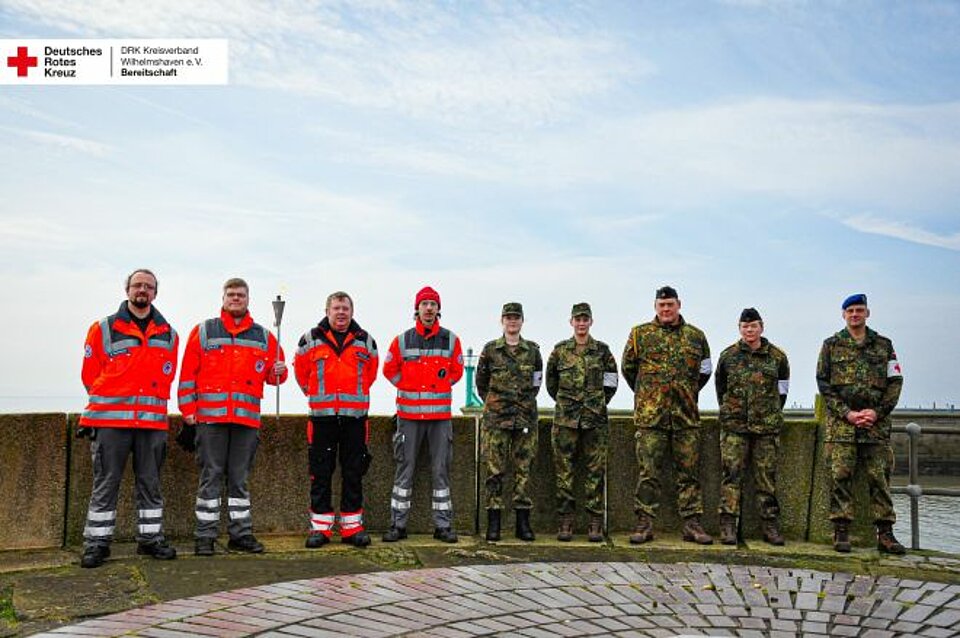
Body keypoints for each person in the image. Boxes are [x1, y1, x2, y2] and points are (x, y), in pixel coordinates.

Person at [177, 278, 287, 556]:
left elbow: (278, 376)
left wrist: (279, 370)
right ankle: (205, 536)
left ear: (248, 299)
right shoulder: (203, 331)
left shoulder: (263, 335)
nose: (235, 298)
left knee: (240, 478)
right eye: (231, 294)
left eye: (240, 295)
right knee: (210, 475)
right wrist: (187, 410)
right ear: (223, 298)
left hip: (246, 421)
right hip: (210, 420)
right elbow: (188, 374)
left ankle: (240, 534)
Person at [78, 268, 180, 568]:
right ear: (127, 290)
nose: (142, 290)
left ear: (155, 293)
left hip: (151, 425)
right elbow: (89, 375)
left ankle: (150, 540)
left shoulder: (170, 334)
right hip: (110, 423)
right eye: (138, 285)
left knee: (150, 484)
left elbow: (167, 376)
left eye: (148, 286)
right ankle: (96, 544)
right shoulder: (103, 328)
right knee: (105, 484)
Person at [622, 285, 713, 545]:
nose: (666, 309)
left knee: (689, 474)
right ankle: (644, 523)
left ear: (679, 305)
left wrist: (686, 392)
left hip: (685, 417)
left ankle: (692, 524)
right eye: (661, 305)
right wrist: (648, 396)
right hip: (651, 418)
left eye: (670, 304)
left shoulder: (696, 337)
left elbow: (704, 372)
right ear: (655, 307)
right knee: (648, 473)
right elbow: (629, 369)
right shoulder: (640, 335)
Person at [816, 293, 905, 554]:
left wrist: (877, 412)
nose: (855, 314)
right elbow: (824, 383)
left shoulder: (884, 345)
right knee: (840, 477)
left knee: (879, 479)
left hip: (875, 427)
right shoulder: (831, 345)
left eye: (859, 310)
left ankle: (886, 534)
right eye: (850, 311)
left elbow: (895, 382)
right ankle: (841, 531)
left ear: (868, 313)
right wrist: (847, 413)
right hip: (842, 427)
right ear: (843, 315)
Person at [294, 291, 378, 548]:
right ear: (327, 310)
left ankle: (353, 528)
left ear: (352, 312)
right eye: (336, 308)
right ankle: (320, 529)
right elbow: (301, 372)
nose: (341, 312)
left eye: (345, 308)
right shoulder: (310, 339)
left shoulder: (366, 341)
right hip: (322, 420)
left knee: (354, 472)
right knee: (320, 473)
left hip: (355, 419)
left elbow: (371, 373)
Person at [382, 286, 464, 543]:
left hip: (439, 419)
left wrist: (436, 388)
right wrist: (406, 386)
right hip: (409, 418)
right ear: (417, 309)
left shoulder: (451, 340)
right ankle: (397, 525)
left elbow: (456, 371)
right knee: (404, 471)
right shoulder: (402, 340)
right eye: (424, 304)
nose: (429, 308)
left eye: (433, 304)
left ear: (439, 309)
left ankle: (443, 526)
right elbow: (388, 369)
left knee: (441, 471)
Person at [715, 308, 790, 546]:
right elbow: (721, 388)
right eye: (745, 326)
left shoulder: (777, 357)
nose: (750, 330)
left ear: (761, 327)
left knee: (766, 479)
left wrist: (767, 414)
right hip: (734, 428)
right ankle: (728, 525)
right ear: (739, 328)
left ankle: (770, 525)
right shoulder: (728, 356)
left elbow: (782, 391)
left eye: (754, 326)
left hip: (766, 429)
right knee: (731, 476)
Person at [545, 302, 618, 542]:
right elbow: (551, 383)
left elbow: (611, 382)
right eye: (578, 319)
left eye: (585, 319)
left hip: (594, 420)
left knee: (595, 471)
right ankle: (565, 521)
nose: (581, 323)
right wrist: (569, 403)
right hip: (566, 420)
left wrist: (596, 403)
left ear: (591, 322)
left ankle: (594, 522)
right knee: (564, 472)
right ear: (571, 322)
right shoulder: (559, 351)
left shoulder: (602, 351)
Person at [476, 302, 543, 542]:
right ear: (502, 321)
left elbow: (537, 382)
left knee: (523, 472)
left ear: (522, 321)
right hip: (496, 421)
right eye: (508, 318)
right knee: (494, 471)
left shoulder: (533, 351)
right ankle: (493, 523)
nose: (512, 321)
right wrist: (496, 405)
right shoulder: (490, 350)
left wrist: (521, 405)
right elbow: (481, 383)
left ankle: (522, 524)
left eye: (516, 318)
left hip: (524, 419)